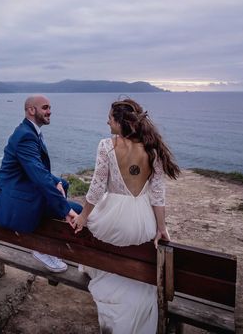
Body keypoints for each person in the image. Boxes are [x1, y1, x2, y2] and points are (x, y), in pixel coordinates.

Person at [71, 98, 180, 334]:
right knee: (138, 250)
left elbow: (97, 188)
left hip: (111, 221)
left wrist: (83, 216)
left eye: (110, 118)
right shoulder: (152, 149)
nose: (106, 121)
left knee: (95, 228)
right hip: (140, 221)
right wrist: (161, 227)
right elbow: (158, 195)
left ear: (120, 122)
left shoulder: (105, 146)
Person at [0, 94, 81, 273]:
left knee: (62, 184)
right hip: (17, 196)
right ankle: (41, 247)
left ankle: (48, 244)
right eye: (45, 107)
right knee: (75, 209)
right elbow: (37, 174)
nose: (50, 111)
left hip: (18, 186)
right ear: (31, 110)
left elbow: (34, 168)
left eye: (49, 107)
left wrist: (56, 182)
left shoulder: (28, 131)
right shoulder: (26, 136)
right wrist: (66, 210)